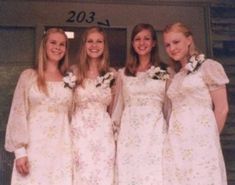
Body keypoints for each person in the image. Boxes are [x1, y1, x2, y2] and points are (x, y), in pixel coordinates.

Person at [162, 22, 229, 185]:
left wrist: (209, 138)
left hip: (201, 138)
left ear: (189, 40)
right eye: (167, 45)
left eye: (176, 42)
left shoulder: (208, 67)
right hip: (176, 140)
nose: (172, 48)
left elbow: (222, 108)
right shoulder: (174, 75)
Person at [5, 28, 73, 185]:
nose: (58, 47)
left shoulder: (69, 80)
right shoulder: (28, 76)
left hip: (61, 148)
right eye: (53, 42)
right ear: (44, 45)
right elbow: (18, 112)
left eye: (62, 44)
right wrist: (20, 152)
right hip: (34, 148)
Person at [111, 23, 169, 185]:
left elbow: (169, 107)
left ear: (154, 43)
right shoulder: (123, 73)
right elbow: (118, 107)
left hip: (155, 134)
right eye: (137, 39)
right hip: (129, 135)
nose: (142, 43)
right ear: (132, 43)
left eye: (146, 39)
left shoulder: (165, 72)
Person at [71, 26, 116, 185]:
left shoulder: (112, 74)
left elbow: (114, 109)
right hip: (79, 133)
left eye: (99, 41)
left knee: (103, 176)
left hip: (103, 135)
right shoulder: (74, 73)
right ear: (84, 45)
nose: (94, 45)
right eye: (90, 41)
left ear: (104, 45)